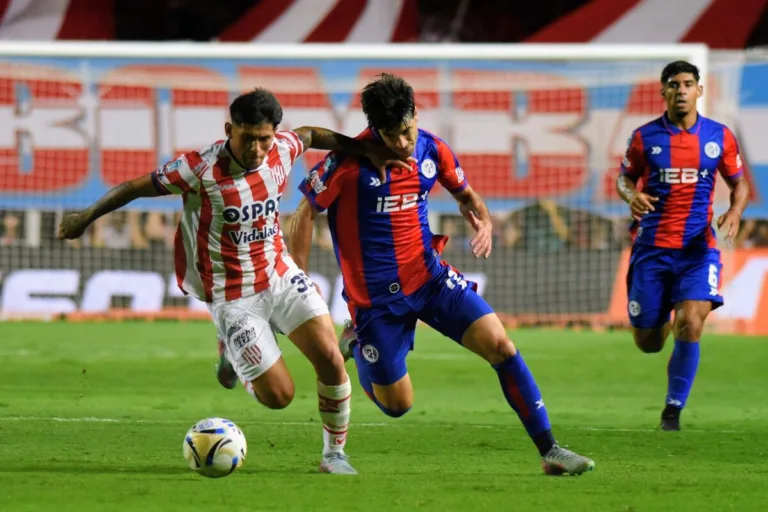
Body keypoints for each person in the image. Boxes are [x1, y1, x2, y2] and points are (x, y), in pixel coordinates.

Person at [58, 87, 412, 474]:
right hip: (233, 295)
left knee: (330, 357)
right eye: (248, 138)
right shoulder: (198, 169)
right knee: (279, 396)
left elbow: (310, 135)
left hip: (279, 273)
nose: (257, 149)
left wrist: (364, 149)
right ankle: (230, 349)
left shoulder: (281, 149)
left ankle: (333, 455)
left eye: (265, 139)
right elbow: (134, 187)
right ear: (230, 130)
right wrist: (85, 217)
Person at [289, 73, 595, 476]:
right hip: (376, 301)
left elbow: (466, 195)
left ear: (416, 114)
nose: (403, 142)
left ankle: (550, 450)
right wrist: (300, 278)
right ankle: (358, 342)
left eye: (407, 130)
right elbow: (303, 213)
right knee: (398, 405)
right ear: (375, 129)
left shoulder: (432, 149)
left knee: (502, 346)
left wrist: (483, 221)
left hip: (431, 279)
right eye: (392, 135)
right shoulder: (348, 163)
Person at [616, 60, 749, 431]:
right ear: (663, 92)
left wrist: (735, 211)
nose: (681, 90)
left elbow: (739, 183)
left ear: (699, 91)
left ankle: (672, 411)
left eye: (688, 84)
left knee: (690, 322)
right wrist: (631, 195)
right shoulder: (644, 137)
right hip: (652, 250)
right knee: (648, 342)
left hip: (697, 250)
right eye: (673, 85)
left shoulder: (719, 136)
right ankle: (659, 315)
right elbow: (624, 179)